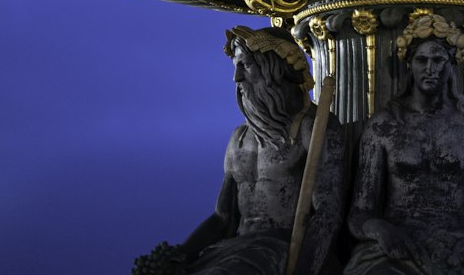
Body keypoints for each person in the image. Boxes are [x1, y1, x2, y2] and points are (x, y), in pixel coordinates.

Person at [133, 26, 344, 275]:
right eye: (236, 66)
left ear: (274, 69)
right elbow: (223, 219)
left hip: (279, 250)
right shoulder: (240, 138)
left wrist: (306, 268)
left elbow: (327, 215)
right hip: (235, 250)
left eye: (245, 65)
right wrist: (178, 256)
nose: (237, 78)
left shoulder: (314, 128)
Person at [345, 11, 464, 275]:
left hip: (463, 242)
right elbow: (359, 213)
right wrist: (380, 229)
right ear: (410, 65)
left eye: (438, 60)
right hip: (401, 242)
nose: (430, 69)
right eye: (421, 60)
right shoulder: (384, 126)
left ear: (451, 65)